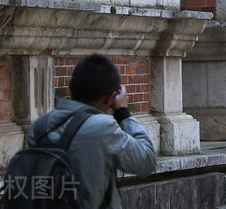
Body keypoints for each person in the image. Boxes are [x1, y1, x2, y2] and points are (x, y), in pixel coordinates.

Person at [25, 54, 157, 208]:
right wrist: (122, 112)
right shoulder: (102, 127)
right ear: (110, 98)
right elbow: (147, 161)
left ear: (71, 86)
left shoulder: (40, 126)